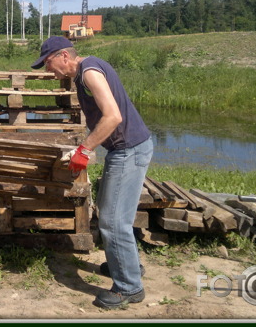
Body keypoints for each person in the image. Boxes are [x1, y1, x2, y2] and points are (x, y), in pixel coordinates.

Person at [32, 36, 153, 309]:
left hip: (129, 150)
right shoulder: (86, 70)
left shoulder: (89, 72)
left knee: (112, 221)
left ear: (64, 56)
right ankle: (126, 267)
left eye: (48, 63)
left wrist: (84, 150)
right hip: (128, 148)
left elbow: (113, 116)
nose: (48, 70)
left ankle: (129, 288)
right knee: (115, 213)